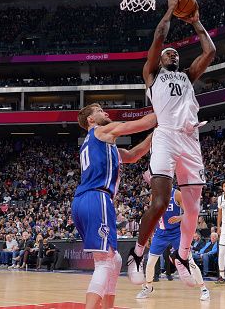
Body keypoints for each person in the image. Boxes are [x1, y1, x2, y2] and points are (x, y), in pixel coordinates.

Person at [128, 0, 216, 287]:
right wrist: (168, 11)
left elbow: (210, 52)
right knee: (162, 200)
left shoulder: (188, 75)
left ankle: (182, 255)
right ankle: (137, 254)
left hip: (191, 140)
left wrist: (196, 23)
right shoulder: (152, 74)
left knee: (192, 208)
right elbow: (158, 38)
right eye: (169, 52)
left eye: (175, 52)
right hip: (164, 135)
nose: (172, 53)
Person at [72, 103, 156, 309]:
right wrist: (166, 111)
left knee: (114, 259)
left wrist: (157, 134)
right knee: (105, 261)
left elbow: (135, 154)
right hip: (97, 197)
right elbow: (140, 124)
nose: (106, 113)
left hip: (84, 200)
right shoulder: (100, 132)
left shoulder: (103, 145)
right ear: (91, 120)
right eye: (100, 111)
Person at [136, 187, 210, 301]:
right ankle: (148, 287)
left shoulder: (177, 194)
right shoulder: (154, 195)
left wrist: (180, 217)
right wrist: (149, 235)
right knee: (150, 262)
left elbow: (190, 213)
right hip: (160, 233)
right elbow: (153, 216)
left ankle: (204, 289)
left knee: (190, 261)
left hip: (177, 233)